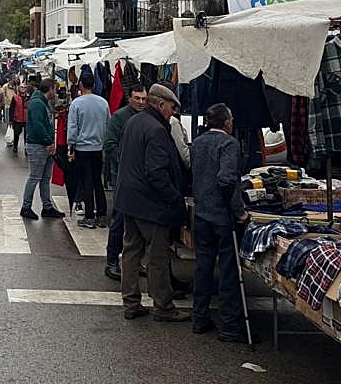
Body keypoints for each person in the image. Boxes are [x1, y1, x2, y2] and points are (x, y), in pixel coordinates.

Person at [115, 83, 189, 322]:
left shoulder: (134, 122)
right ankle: (163, 306)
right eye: (171, 107)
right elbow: (156, 172)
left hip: (129, 199)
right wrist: (174, 198)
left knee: (131, 252)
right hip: (150, 204)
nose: (173, 112)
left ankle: (131, 302)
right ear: (160, 104)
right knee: (158, 256)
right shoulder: (156, 129)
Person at [190, 103, 249, 343]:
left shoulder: (198, 142)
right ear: (226, 123)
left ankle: (199, 317)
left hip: (202, 213)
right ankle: (229, 326)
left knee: (203, 267)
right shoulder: (229, 144)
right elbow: (226, 180)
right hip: (222, 217)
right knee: (228, 271)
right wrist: (239, 212)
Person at [103, 84, 147, 280]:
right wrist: (126, 163)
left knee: (140, 221)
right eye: (137, 98)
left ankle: (135, 261)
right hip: (121, 175)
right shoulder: (120, 117)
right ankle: (112, 261)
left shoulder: (147, 117)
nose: (140, 102)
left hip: (142, 178)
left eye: (143, 98)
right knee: (119, 219)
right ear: (129, 98)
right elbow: (109, 145)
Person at [67, 72, 111, 229]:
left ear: (80, 85)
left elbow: (72, 128)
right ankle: (102, 215)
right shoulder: (103, 103)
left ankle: (89, 217)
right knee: (97, 181)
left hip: (82, 148)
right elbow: (108, 124)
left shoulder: (76, 104)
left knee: (86, 182)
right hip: (98, 148)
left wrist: (71, 146)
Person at [21, 76, 65, 219]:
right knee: (35, 177)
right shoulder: (38, 104)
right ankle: (26, 206)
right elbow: (38, 126)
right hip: (38, 145)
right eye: (55, 90)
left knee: (45, 178)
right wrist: (49, 142)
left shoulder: (42, 102)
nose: (56, 93)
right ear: (50, 89)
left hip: (44, 144)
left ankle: (47, 207)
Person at [8, 82, 30, 154]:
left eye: (24, 87)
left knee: (27, 136)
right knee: (16, 134)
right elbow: (11, 108)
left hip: (27, 119)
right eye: (21, 87)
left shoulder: (29, 97)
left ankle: (26, 149)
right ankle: (15, 146)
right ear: (19, 88)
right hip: (17, 119)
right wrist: (11, 119)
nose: (23, 89)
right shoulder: (15, 97)